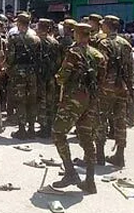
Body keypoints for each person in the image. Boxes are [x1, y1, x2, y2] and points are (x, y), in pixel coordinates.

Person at [51, 23, 105, 194]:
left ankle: (70, 172)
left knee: (59, 133)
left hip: (73, 99)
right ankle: (90, 181)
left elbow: (62, 77)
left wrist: (58, 77)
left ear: (78, 34)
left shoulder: (73, 53)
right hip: (91, 100)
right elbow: (101, 79)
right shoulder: (98, 55)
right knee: (87, 140)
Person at [95, 15, 134, 167]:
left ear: (108, 26)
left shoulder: (103, 43)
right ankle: (120, 155)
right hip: (122, 87)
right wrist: (130, 88)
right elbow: (130, 68)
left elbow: (101, 67)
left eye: (103, 24)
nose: (101, 27)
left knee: (101, 119)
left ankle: (99, 154)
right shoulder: (125, 44)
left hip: (106, 87)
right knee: (120, 121)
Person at [6, 12, 41, 139]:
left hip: (18, 73)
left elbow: (10, 57)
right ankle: (31, 129)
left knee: (20, 101)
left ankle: (21, 130)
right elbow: (39, 57)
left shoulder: (14, 38)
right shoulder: (36, 38)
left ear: (19, 23)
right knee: (32, 101)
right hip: (32, 73)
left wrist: (8, 69)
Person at [36, 19, 61, 138]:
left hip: (40, 75)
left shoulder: (36, 41)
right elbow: (58, 61)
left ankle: (43, 127)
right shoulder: (55, 42)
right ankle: (50, 125)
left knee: (41, 101)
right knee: (51, 101)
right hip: (51, 75)